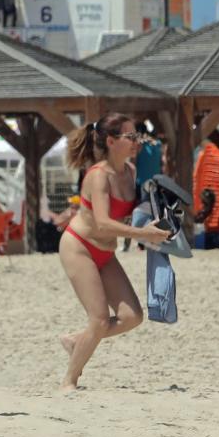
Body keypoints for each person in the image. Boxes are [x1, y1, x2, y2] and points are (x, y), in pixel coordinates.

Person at [58, 113, 170, 392]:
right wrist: (145, 234)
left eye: (137, 136)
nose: (136, 142)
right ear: (111, 141)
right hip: (79, 247)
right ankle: (68, 382)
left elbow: (134, 214)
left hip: (106, 251)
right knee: (98, 318)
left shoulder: (131, 172)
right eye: (130, 137)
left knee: (133, 317)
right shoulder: (98, 176)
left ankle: (77, 341)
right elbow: (103, 222)